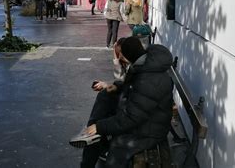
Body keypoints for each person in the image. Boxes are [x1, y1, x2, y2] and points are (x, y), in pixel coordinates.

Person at [69, 37, 174, 168]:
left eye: (122, 55)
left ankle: (93, 135)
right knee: (105, 96)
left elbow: (132, 118)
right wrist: (117, 86)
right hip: (142, 116)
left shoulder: (148, 80)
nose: (120, 59)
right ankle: (91, 134)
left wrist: (100, 127)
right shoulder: (143, 65)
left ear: (129, 55)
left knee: (117, 145)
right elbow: (133, 89)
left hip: (150, 130)